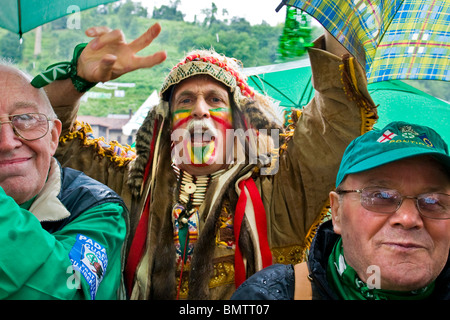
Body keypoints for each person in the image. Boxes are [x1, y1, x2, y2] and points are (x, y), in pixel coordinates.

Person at [35, 22, 378, 299]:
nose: (200, 110)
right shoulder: (129, 183)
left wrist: (340, 17)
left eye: (215, 99)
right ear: (166, 125)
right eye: (185, 100)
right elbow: (50, 136)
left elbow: (335, 118)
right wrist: (80, 78)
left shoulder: (280, 185)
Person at [231, 121, 450, 300]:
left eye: (432, 201)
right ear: (336, 212)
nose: (409, 218)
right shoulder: (268, 296)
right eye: (380, 197)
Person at [0, 63, 128, 299]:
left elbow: (63, 289)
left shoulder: (99, 210)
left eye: (26, 118)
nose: (7, 142)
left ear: (53, 136)